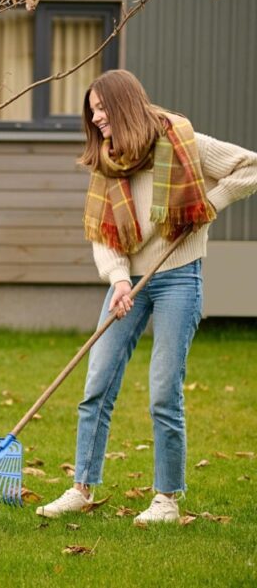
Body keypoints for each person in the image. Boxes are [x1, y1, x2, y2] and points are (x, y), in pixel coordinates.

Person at [36, 69, 257, 524]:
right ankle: (81, 486)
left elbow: (249, 166)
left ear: (125, 106)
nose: (96, 119)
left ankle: (167, 499)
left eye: (102, 108)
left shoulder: (181, 141)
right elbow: (103, 233)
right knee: (97, 383)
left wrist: (210, 203)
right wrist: (117, 278)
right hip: (127, 283)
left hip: (178, 276)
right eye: (92, 110)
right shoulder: (107, 160)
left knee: (163, 390)